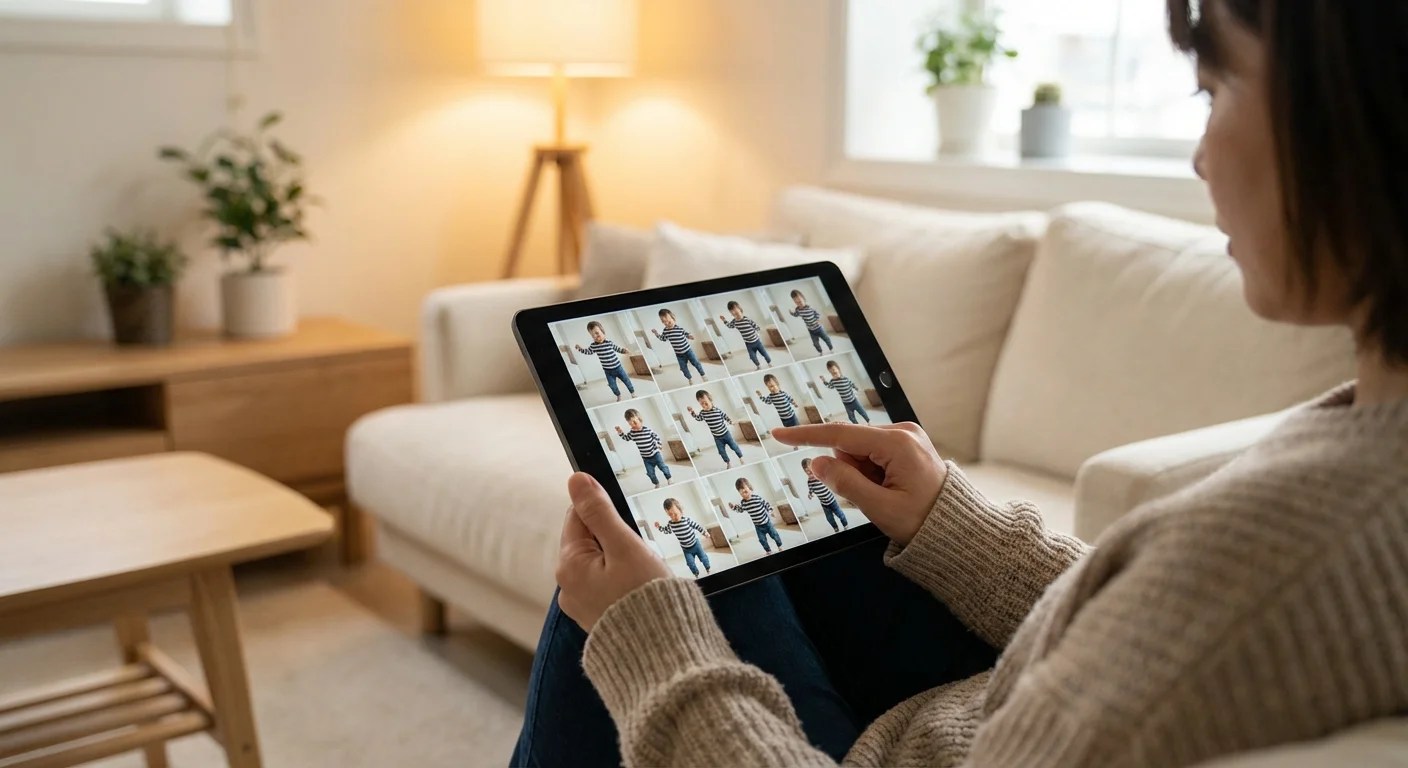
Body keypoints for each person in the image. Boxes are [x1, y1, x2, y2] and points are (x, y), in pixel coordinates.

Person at [515, 1, 1408, 765]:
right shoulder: (1364, 443)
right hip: (975, 702)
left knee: (639, 537)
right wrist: (953, 520)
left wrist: (655, 649)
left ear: (1360, 111)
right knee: (735, 509)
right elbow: (1144, 630)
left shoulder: (1289, 556)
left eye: (1216, 92)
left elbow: (1191, 631)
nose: (1201, 156)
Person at [574, 321, 634, 402]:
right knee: (612, 385)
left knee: (626, 380)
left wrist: (624, 351)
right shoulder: (594, 346)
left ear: (602, 332)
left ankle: (632, 392)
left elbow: (617, 349)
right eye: (592, 335)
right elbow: (588, 352)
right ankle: (618, 394)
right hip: (608, 371)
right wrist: (580, 349)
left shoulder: (609, 342)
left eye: (597, 333)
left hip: (618, 368)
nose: (595, 336)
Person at [651, 499, 711, 578]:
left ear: (680, 510)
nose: (673, 517)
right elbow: (666, 530)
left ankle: (707, 568)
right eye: (670, 515)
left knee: (703, 557)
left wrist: (704, 533)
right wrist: (659, 527)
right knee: (690, 563)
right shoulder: (671, 524)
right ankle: (696, 573)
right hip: (686, 549)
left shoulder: (687, 520)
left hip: (696, 545)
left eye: (675, 514)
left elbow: (697, 526)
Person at [614, 410, 671, 490]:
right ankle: (656, 483)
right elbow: (626, 438)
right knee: (650, 473)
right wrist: (620, 433)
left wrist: (659, 444)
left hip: (655, 454)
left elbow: (656, 437)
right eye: (630, 424)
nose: (633, 425)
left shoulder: (648, 430)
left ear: (640, 420)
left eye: (635, 422)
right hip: (646, 458)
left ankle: (669, 479)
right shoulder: (632, 433)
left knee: (663, 467)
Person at [688, 390, 745, 468]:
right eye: (701, 404)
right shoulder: (703, 413)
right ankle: (728, 463)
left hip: (726, 434)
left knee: (734, 446)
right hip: (717, 437)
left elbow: (725, 416)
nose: (704, 405)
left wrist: (731, 422)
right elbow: (698, 418)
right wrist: (692, 412)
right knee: (721, 452)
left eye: (705, 402)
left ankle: (741, 457)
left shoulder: (717, 410)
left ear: (710, 399)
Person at [729, 477, 783, 555]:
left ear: (750, 489)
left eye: (745, 492)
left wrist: (771, 511)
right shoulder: (744, 503)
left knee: (774, 535)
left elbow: (766, 504)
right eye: (741, 494)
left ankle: (779, 545)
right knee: (762, 539)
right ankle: (768, 550)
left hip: (767, 522)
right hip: (758, 526)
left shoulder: (757, 498)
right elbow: (741, 509)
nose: (744, 495)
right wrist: (734, 507)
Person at [653, 308, 707, 383]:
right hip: (679, 354)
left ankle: (703, 375)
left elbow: (686, 334)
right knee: (683, 368)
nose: (667, 323)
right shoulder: (666, 331)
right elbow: (663, 339)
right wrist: (656, 334)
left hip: (688, 351)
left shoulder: (679, 328)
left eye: (669, 321)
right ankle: (690, 378)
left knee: (696, 363)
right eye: (664, 322)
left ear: (673, 318)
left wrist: (689, 336)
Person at [720, 302, 772, 370]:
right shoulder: (735, 321)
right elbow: (730, 326)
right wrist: (724, 320)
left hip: (757, 341)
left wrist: (760, 330)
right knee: (752, 356)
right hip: (748, 344)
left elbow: (755, 326)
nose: (733, 311)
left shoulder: (747, 319)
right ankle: (758, 365)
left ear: (739, 308)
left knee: (764, 354)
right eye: (731, 311)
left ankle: (769, 363)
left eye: (735, 309)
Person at [803, 456, 847, 533]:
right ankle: (835, 528)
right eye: (807, 471)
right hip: (824, 504)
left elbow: (830, 481)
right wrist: (810, 494)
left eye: (811, 470)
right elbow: (811, 489)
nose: (809, 473)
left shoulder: (821, 476)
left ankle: (845, 525)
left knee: (840, 514)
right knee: (829, 518)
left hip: (832, 501)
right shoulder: (809, 482)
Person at [790, 289, 833, 354]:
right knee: (815, 343)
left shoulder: (810, 307)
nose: (800, 303)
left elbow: (817, 314)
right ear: (794, 302)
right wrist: (791, 312)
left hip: (819, 328)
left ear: (804, 299)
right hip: (811, 330)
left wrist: (818, 320)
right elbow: (796, 315)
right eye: (797, 302)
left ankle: (831, 348)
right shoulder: (798, 310)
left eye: (800, 301)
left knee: (826, 338)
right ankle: (820, 351)